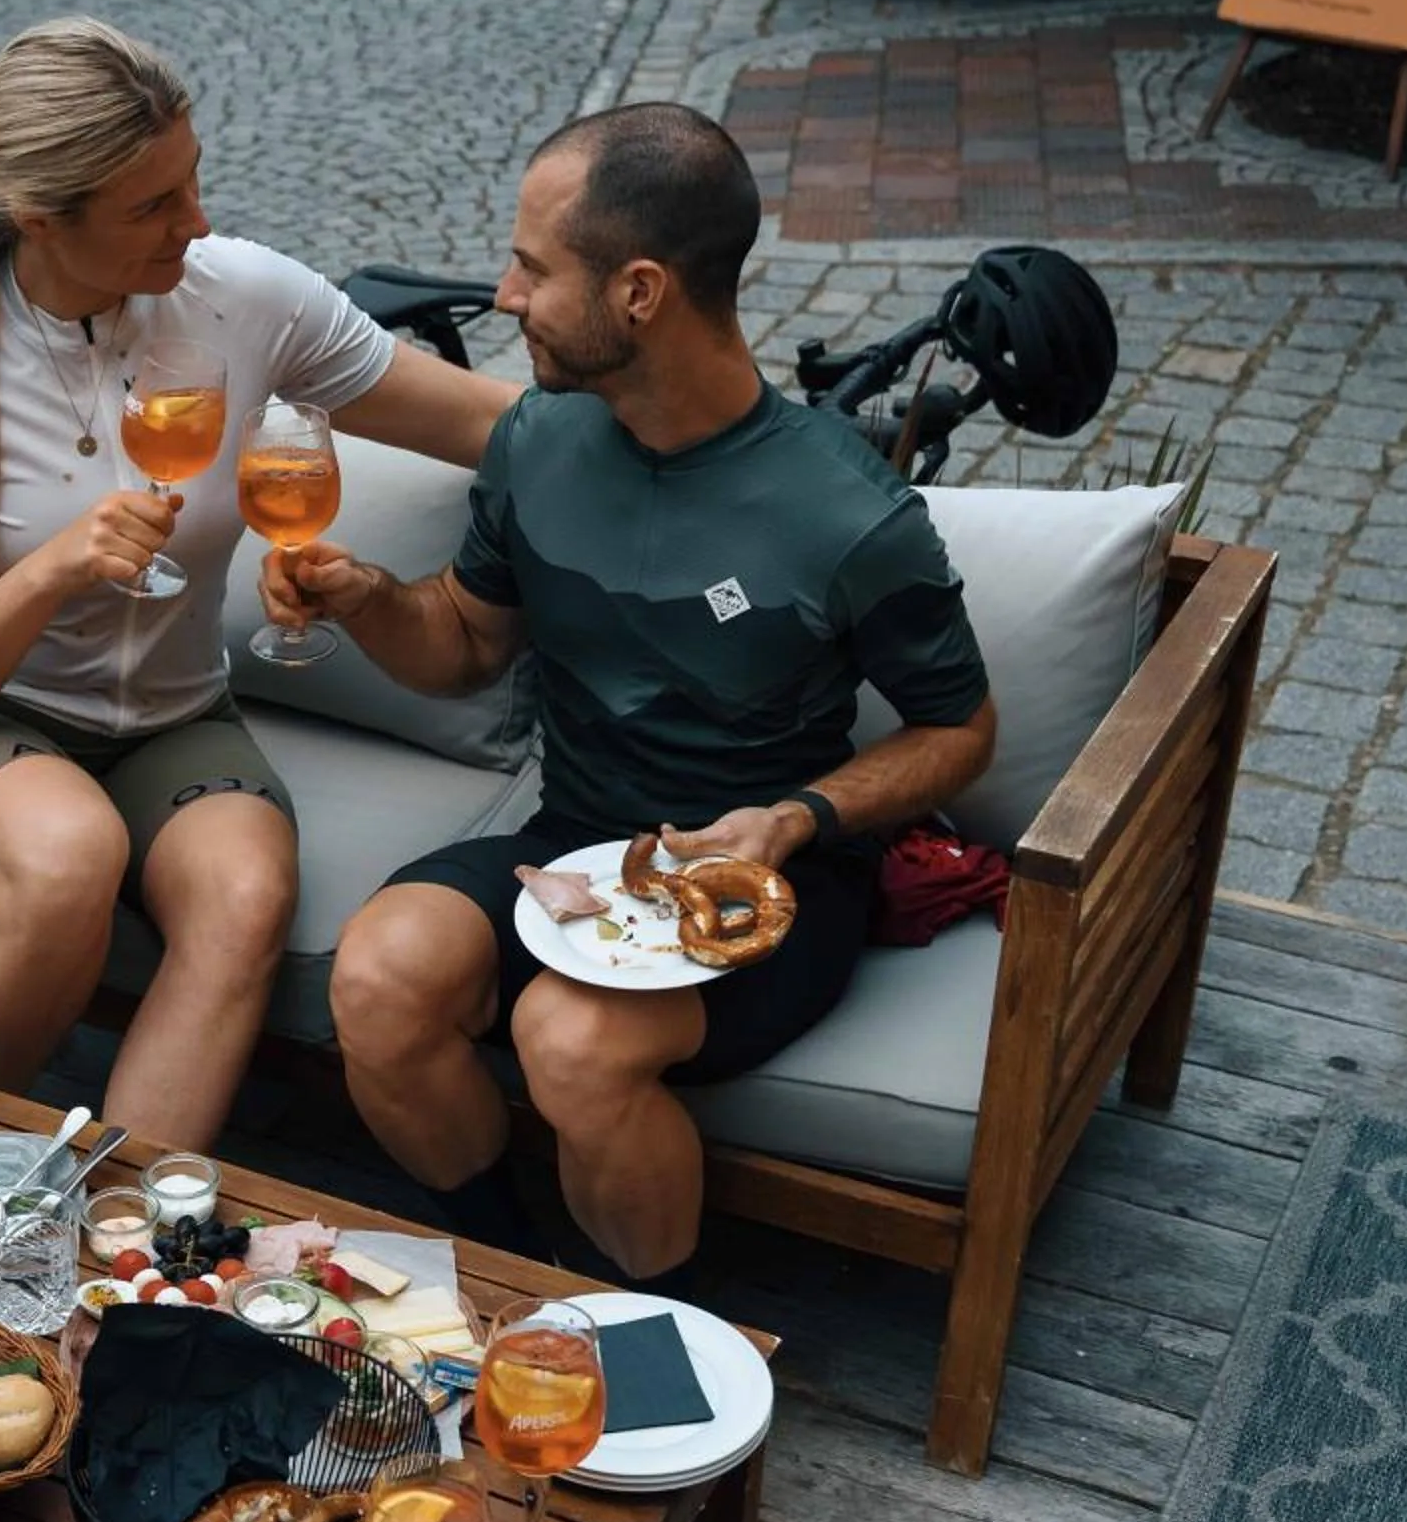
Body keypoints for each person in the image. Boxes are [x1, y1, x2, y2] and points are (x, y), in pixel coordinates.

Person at [264, 102, 998, 1280]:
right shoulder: (539, 440)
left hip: (771, 883)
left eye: (534, 268)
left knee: (570, 1037)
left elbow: (962, 726)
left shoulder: (850, 515)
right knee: (380, 974)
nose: (505, 295)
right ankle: (512, 1278)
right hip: (577, 850)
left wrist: (797, 815)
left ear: (640, 292)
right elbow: (459, 642)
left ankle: (662, 1321)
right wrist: (363, 597)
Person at [0, 17, 516, 1152]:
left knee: (246, 897)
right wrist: (53, 570)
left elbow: (479, 420)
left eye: (192, 182)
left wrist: (699, 437)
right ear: (39, 220)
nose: (195, 221)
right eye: (154, 206)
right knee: (69, 857)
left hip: (176, 715)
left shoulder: (240, 297)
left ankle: (114, 1239)